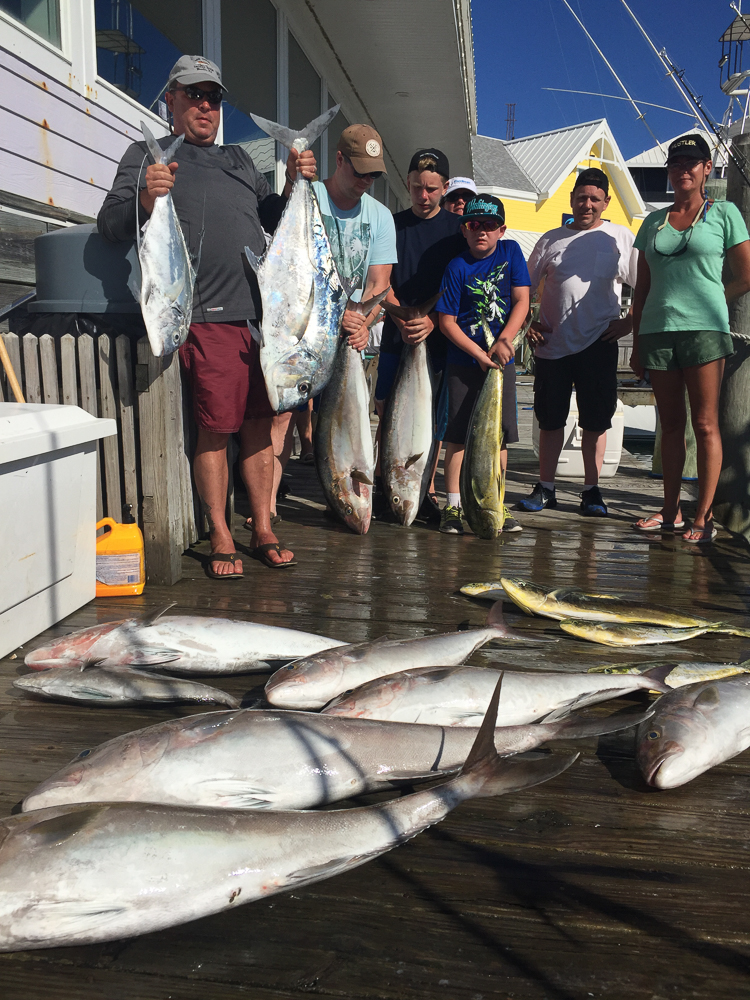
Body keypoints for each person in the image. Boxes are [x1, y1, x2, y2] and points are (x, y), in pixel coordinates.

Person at [98, 55, 314, 576]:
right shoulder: (144, 155)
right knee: (216, 429)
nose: (205, 106)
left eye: (213, 97)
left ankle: (261, 525)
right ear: (169, 99)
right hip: (206, 315)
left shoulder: (240, 159)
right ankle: (220, 533)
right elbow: (109, 223)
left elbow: (273, 221)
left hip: (264, 320)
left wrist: (290, 183)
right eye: (193, 94)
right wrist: (147, 197)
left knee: (263, 427)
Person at [254, 124, 396, 528]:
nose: (366, 181)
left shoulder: (380, 216)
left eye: (373, 174)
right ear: (339, 160)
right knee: (282, 414)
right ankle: (268, 507)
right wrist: (290, 180)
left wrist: (364, 322)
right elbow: (277, 231)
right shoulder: (309, 193)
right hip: (304, 326)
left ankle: (334, 494)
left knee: (349, 418)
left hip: (351, 329)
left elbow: (379, 283)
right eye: (359, 171)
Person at [631, 134, 750, 543]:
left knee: (705, 423)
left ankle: (704, 516)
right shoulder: (652, 222)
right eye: (676, 163)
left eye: (691, 162)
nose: (683, 169)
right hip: (657, 332)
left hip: (704, 332)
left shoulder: (724, 213)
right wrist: (637, 337)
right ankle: (669, 512)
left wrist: (715, 299)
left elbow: (745, 274)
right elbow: (641, 288)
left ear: (706, 168)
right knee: (670, 425)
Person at [520, 167, 638, 518]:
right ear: (571, 200)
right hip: (553, 344)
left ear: (606, 202)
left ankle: (591, 490)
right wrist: (528, 322)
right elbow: (523, 287)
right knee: (550, 419)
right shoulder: (550, 239)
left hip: (599, 343)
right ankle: (546, 488)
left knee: (596, 421)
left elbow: (641, 284)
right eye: (581, 198)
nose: (587, 204)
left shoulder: (619, 236)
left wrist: (629, 321)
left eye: (594, 199)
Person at [374, 147, 464, 523]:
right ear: (408, 184)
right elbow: (380, 278)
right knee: (386, 411)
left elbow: (458, 283)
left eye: (430, 189)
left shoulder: (457, 231)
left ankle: (424, 489)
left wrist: (431, 320)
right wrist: (401, 317)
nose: (422, 196)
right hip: (399, 333)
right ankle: (385, 483)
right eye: (415, 187)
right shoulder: (390, 225)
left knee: (429, 419)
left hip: (438, 334)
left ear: (444, 187)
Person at [436, 195, 530, 535]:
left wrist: (504, 341)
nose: (481, 232)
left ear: (501, 230)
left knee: (499, 437)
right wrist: (478, 355)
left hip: (500, 361)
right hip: (465, 361)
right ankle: (453, 505)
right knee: (458, 436)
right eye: (474, 225)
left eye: (489, 226)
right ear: (464, 229)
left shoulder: (511, 253)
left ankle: (497, 503)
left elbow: (522, 299)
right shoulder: (457, 266)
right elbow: (446, 321)